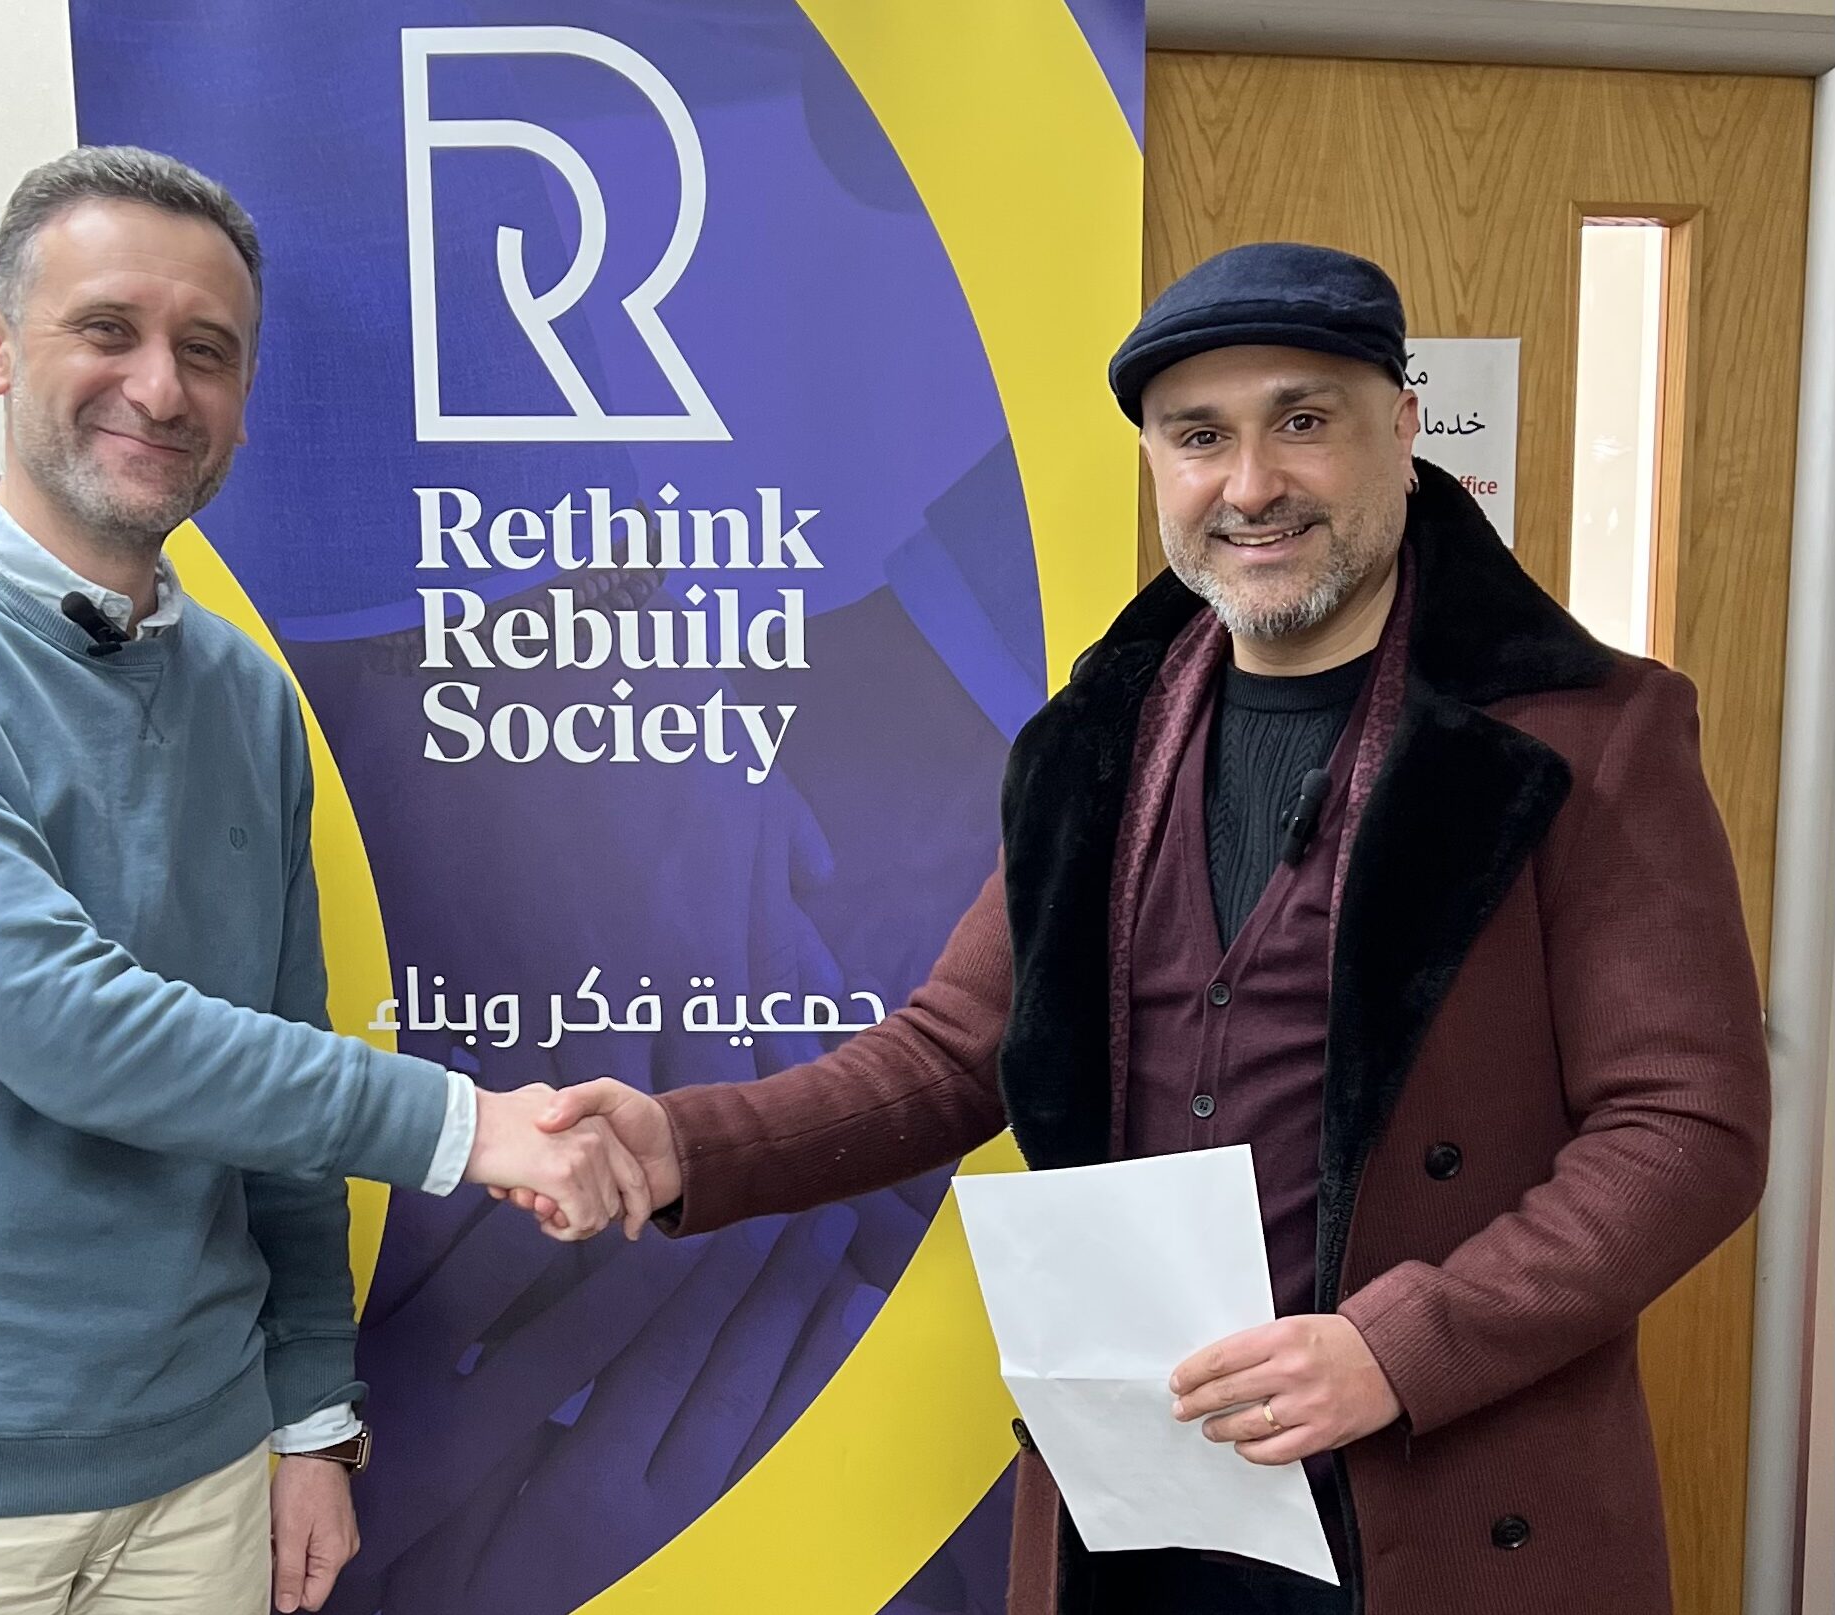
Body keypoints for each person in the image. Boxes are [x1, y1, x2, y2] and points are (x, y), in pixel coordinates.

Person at [513, 243, 1772, 1614]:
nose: (1249, 485)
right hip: (1143, 1497)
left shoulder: (1590, 733)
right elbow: (950, 1055)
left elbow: (1683, 1126)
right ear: (1158, 468)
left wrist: (1397, 1349)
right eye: (1199, 438)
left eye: (1302, 421)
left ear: (1401, 431)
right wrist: (684, 1145)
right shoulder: (1090, 742)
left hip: (1445, 1492)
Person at [0, 145, 646, 1615]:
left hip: (204, 1473)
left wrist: (310, 1419)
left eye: (204, 353)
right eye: (107, 329)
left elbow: (272, 1061)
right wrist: (469, 1126)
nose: (159, 388)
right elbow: (59, 1021)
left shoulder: (243, 696)